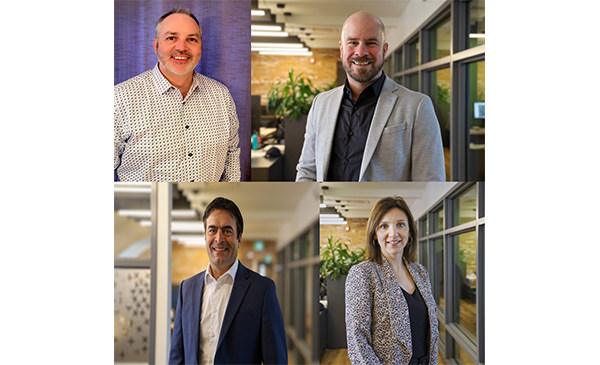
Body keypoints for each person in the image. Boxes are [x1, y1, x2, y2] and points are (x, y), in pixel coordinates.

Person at [296, 11, 445, 182]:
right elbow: (307, 170)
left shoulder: (417, 106)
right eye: (353, 42)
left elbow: (430, 181)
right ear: (341, 49)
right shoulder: (320, 103)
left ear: (384, 49)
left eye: (371, 43)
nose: (361, 52)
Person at [114, 7, 240, 182]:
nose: (182, 47)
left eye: (191, 39)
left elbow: (231, 157)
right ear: (155, 45)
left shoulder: (222, 96)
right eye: (171, 38)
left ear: (200, 47)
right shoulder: (120, 99)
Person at [169, 197, 287, 364]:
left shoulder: (262, 290)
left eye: (227, 231)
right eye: (212, 230)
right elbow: (177, 356)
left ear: (239, 238)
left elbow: (275, 360)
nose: (219, 239)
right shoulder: (186, 289)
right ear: (205, 236)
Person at [345, 196, 439, 364]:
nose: (393, 233)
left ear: (409, 231)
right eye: (384, 226)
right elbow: (357, 341)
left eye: (400, 225)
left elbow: (430, 333)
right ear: (375, 234)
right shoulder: (363, 274)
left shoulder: (420, 272)